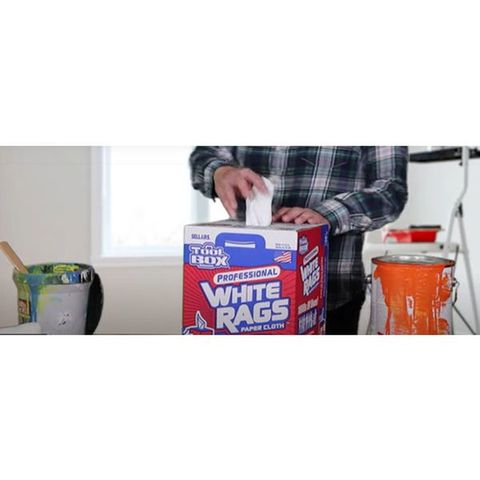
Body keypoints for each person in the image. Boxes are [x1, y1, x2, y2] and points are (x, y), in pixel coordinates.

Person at [189, 147, 408, 334]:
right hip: (234, 296)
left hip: (331, 297)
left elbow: (391, 191)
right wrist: (219, 171)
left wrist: (328, 215)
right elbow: (204, 153)